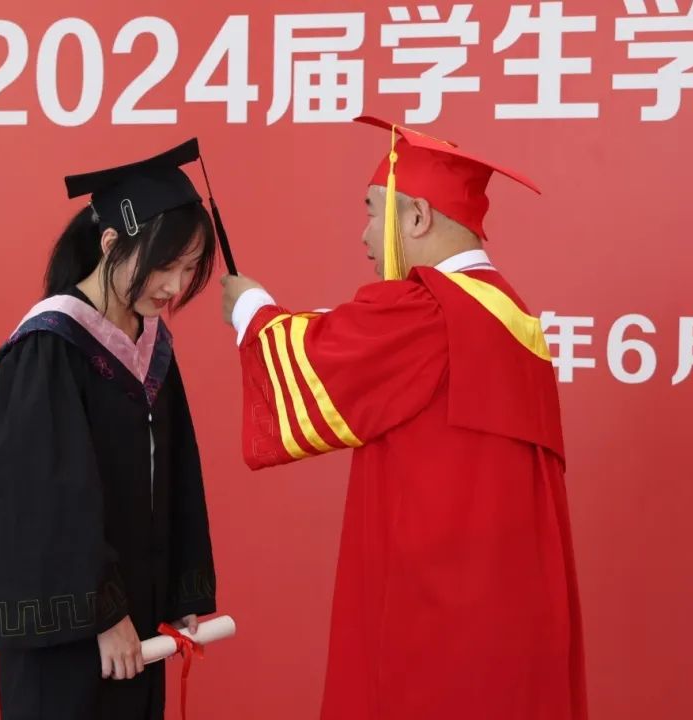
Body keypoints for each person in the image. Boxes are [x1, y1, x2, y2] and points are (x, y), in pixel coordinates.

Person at [220, 117, 586, 720]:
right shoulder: (511, 316)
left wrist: (249, 308)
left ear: (416, 218)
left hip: (442, 616)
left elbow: (314, 359)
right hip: (514, 609)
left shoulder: (433, 310)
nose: (365, 234)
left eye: (372, 212)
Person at [0, 140, 219, 720]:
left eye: (188, 269)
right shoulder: (49, 347)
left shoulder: (150, 346)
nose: (175, 287)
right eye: (165, 265)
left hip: (138, 623)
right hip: (74, 638)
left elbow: (177, 472)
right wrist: (102, 615)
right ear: (111, 244)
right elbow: (44, 500)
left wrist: (180, 590)